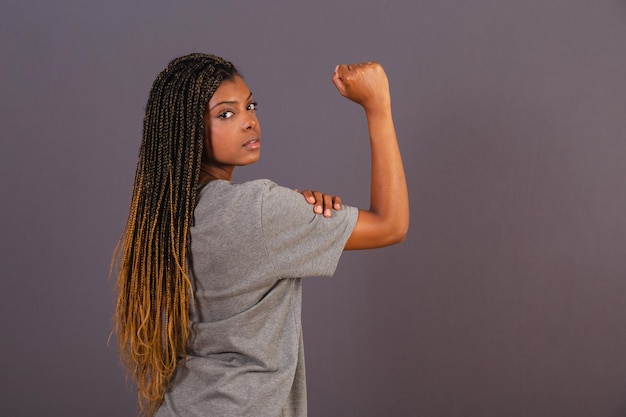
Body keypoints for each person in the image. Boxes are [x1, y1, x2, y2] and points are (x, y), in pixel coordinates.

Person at [113, 53, 408, 417]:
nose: (249, 121)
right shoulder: (259, 210)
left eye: (250, 106)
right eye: (226, 113)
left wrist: (297, 213)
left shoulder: (167, 217)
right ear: (188, 130)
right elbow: (391, 224)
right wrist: (377, 105)